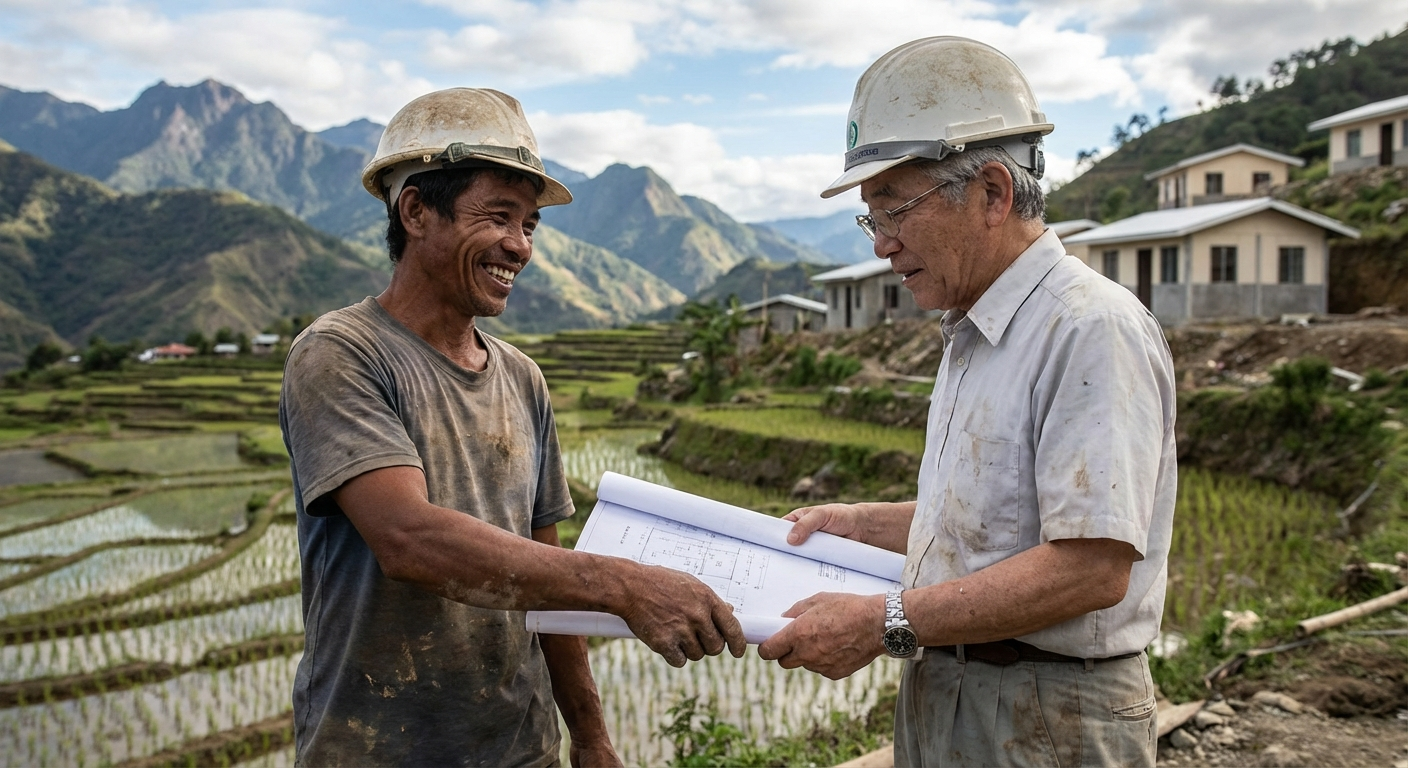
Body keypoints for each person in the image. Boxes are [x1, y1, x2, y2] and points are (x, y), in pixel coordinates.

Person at [280, 88, 745, 767]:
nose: (519, 246)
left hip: (520, 747)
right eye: (499, 217)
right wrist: (624, 584)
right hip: (377, 749)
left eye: (530, 225)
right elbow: (408, 539)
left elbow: (544, 571)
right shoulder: (340, 353)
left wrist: (590, 736)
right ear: (415, 210)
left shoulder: (521, 378)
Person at [757, 38, 1176, 767]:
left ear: (991, 192)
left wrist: (882, 621)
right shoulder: (973, 332)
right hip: (953, 690)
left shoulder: (1088, 327)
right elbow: (1005, 523)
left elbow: (1092, 566)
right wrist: (859, 523)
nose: (882, 245)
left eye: (895, 210)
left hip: (1048, 714)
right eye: (871, 218)